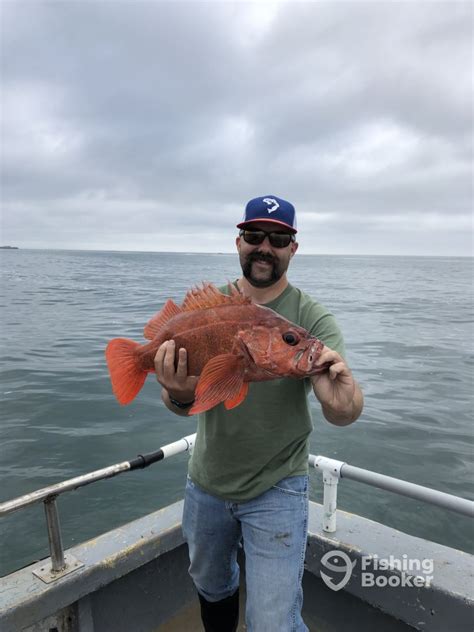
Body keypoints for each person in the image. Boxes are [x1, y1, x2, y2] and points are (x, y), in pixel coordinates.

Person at [154, 195, 364, 632]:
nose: (264, 247)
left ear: (292, 248)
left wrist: (339, 397)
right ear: (239, 243)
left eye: (278, 238)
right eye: (254, 236)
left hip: (278, 488)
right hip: (207, 482)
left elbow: (344, 412)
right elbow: (181, 404)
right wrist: (176, 393)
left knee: (272, 620)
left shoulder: (312, 320)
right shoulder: (213, 309)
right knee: (211, 586)